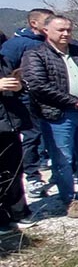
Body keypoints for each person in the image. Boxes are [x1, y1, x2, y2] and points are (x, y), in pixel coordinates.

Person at [22, 15, 78, 218]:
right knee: (63, 159)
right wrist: (74, 101)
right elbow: (38, 85)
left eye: (68, 30)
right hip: (59, 115)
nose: (65, 34)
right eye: (60, 30)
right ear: (46, 30)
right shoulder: (36, 54)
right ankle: (70, 200)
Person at [3, 8, 52, 198]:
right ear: (34, 23)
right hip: (26, 99)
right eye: (47, 20)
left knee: (53, 136)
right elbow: (7, 69)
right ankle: (33, 178)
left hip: (52, 98)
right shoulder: (16, 44)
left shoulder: (52, 42)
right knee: (32, 137)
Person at [0, 57, 33, 230]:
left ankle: (18, 212)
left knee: (13, 171)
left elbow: (21, 87)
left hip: (9, 124)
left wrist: (19, 87)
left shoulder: (4, 60)